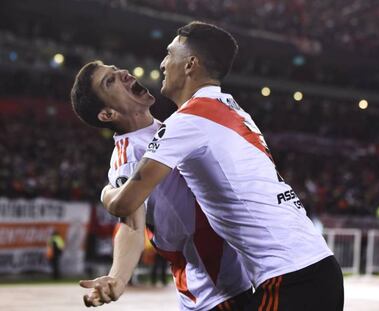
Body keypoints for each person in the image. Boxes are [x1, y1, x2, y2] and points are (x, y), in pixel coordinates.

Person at [102, 21, 344, 310]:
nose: (164, 63)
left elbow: (125, 202)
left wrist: (106, 191)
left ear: (190, 64)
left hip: (290, 278)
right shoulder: (232, 109)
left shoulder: (186, 122)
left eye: (169, 54)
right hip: (312, 267)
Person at [70, 61, 252, 310]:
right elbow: (132, 224)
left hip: (238, 276)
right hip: (216, 290)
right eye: (110, 81)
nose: (122, 73)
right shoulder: (130, 156)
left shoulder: (169, 128)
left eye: (116, 70)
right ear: (108, 114)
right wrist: (118, 277)